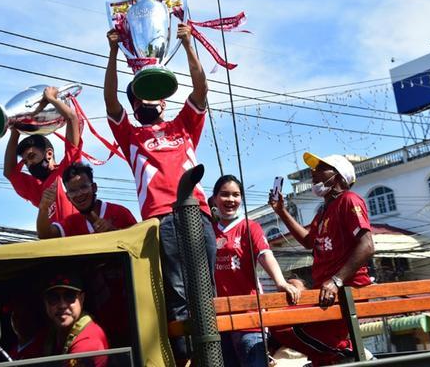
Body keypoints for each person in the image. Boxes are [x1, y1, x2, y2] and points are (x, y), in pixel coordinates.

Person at [104, 24, 217, 364]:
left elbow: (201, 88)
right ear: (136, 103)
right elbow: (110, 100)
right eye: (138, 97)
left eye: (153, 95)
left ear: (164, 101)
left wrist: (186, 43)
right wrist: (112, 52)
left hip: (198, 213)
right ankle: (186, 359)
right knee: (178, 293)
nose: (147, 101)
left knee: (206, 293)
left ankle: (212, 356)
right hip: (160, 220)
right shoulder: (131, 136)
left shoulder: (184, 125)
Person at [268, 152, 375, 366]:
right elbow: (309, 240)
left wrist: (337, 280)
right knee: (277, 323)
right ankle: (330, 356)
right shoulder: (325, 209)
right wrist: (281, 211)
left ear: (337, 175)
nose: (313, 173)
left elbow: (368, 246)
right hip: (326, 292)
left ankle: (342, 353)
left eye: (320, 168)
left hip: (346, 290)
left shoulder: (349, 200)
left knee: (284, 325)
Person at [211, 175, 301, 367]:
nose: (231, 200)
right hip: (218, 319)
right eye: (224, 194)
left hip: (250, 318)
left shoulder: (249, 226)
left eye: (236, 195)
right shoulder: (207, 230)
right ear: (214, 199)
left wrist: (280, 282)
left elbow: (265, 254)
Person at [3, 86, 81, 223]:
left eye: (31, 157)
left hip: (84, 241)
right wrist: (15, 129)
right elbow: (10, 173)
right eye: (26, 162)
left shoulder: (69, 168)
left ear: (49, 154)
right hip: (56, 242)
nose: (29, 164)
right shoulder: (39, 190)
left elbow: (72, 119)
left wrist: (51, 99)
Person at [36, 161, 137, 238]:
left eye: (84, 187)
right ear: (68, 197)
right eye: (73, 191)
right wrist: (43, 208)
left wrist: (114, 232)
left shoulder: (120, 213)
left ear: (94, 187)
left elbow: (140, 242)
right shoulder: (71, 223)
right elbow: (45, 235)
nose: (79, 194)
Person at [40, 271, 109, 366]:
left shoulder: (88, 342)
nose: (62, 305)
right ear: (45, 303)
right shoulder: (52, 333)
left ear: (81, 299)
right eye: (53, 298)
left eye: (69, 296)